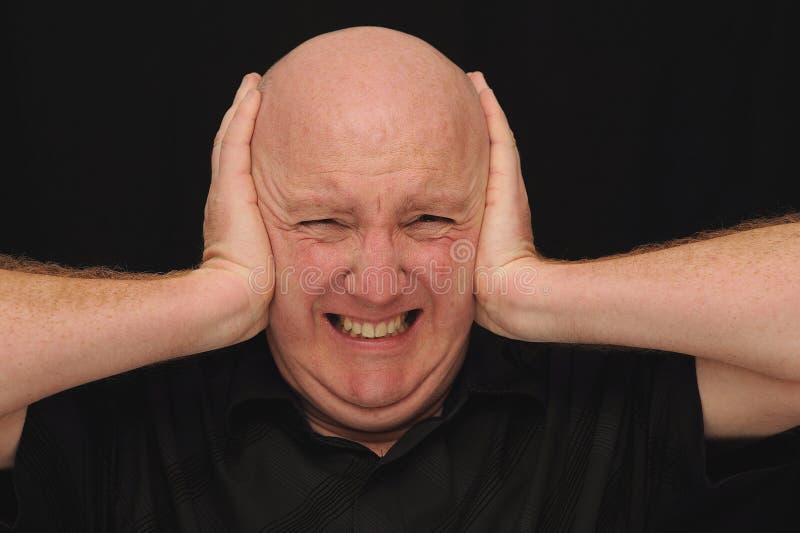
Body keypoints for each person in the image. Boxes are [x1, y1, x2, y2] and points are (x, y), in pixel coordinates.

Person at [1, 26, 798, 531]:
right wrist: (215, 296)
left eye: (429, 221)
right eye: (320, 222)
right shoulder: (123, 423)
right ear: (243, 212)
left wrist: (530, 289)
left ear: (492, 215)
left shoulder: (607, 409)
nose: (378, 282)